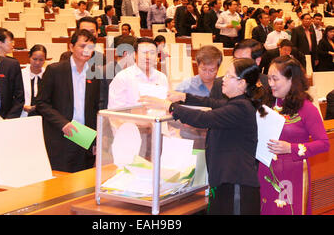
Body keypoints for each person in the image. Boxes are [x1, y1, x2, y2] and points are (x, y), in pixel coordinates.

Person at [140, 58, 267, 215]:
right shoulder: (236, 102)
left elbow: (204, 118)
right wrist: (183, 97)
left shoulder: (241, 107)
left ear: (242, 83)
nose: (223, 80)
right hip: (226, 180)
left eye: (229, 76)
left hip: (236, 183)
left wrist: (169, 106)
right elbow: (210, 102)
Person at [259, 56, 330, 215]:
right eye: (269, 78)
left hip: (292, 174)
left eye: (275, 79)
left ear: (291, 80)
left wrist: (290, 148)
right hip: (266, 171)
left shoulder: (306, 108)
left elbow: (324, 143)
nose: (270, 83)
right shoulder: (267, 104)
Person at [35, 29, 100, 173]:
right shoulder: (55, 70)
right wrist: (63, 123)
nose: (86, 51)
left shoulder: (95, 73)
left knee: (84, 186)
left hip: (85, 138)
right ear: (71, 47)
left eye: (90, 47)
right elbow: (41, 103)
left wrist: (96, 140)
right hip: (61, 136)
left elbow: (97, 108)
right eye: (82, 46)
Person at [108, 37, 168, 109]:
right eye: (144, 53)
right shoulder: (122, 77)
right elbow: (115, 113)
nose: (148, 57)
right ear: (134, 55)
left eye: (152, 53)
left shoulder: (162, 77)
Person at [21, 45, 47, 117]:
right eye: (34, 59)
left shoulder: (48, 74)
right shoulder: (20, 74)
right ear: (29, 57)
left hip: (44, 115)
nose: (37, 63)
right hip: (24, 114)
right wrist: (23, 106)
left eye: (41, 60)